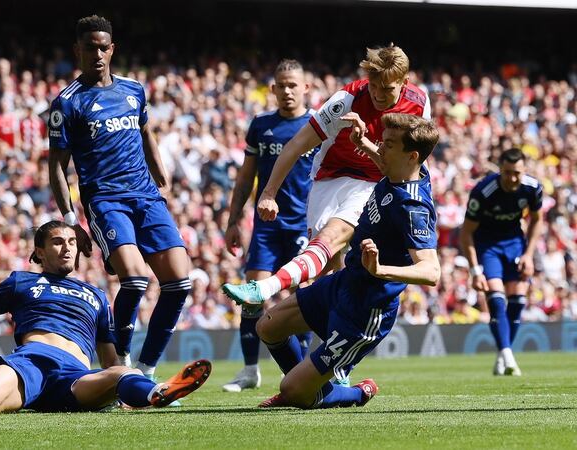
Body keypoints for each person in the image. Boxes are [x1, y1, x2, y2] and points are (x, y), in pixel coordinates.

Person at [0, 221, 210, 416]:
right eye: (57, 242)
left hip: (74, 378)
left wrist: (121, 395)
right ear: (39, 252)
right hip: (29, 365)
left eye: (72, 243)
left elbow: (108, 361)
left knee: (123, 371)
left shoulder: (96, 295)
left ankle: (156, 393)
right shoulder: (21, 281)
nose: (67, 248)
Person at [227, 113, 440, 409]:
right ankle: (307, 387)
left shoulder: (414, 208)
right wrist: (363, 143)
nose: (381, 147)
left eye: (388, 144)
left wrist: (380, 270)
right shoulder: (401, 172)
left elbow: (431, 271)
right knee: (267, 326)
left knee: (293, 391)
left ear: (412, 155)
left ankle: (354, 392)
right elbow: (387, 163)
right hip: (343, 283)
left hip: (366, 310)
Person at [223, 46, 431, 340]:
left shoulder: (419, 106)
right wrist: (268, 193)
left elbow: (403, 169)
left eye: (387, 88)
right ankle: (322, 367)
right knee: (325, 276)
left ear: (405, 82)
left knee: (329, 239)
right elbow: (296, 145)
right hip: (330, 178)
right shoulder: (347, 100)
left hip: (376, 183)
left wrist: (365, 144)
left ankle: (265, 288)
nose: (379, 95)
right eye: (373, 86)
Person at [48, 15, 192, 381]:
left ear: (112, 49)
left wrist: (160, 172)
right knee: (136, 279)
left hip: (146, 196)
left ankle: (147, 370)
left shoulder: (133, 90)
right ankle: (120, 359)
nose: (97, 54)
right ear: (77, 51)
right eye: (89, 48)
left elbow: (146, 132)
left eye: (103, 47)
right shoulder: (66, 103)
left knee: (179, 282)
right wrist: (70, 222)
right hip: (106, 200)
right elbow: (56, 168)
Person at [221, 59, 316, 392]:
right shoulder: (261, 125)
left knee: (305, 299)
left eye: (294, 84)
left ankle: (303, 368)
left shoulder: (318, 125)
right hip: (267, 226)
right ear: (272, 89)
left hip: (304, 225)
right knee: (252, 296)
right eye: (281, 85)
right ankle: (249, 370)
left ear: (306, 88)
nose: (287, 91)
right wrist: (234, 220)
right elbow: (246, 177)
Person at [459, 148, 544, 376]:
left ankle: (503, 354)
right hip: (488, 247)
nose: (512, 178)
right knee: (496, 300)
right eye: (507, 173)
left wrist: (529, 254)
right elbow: (466, 234)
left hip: (515, 245)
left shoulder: (533, 188)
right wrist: (475, 270)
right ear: (500, 170)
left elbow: (537, 220)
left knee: (517, 301)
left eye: (517, 173)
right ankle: (508, 355)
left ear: (524, 170)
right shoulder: (483, 192)